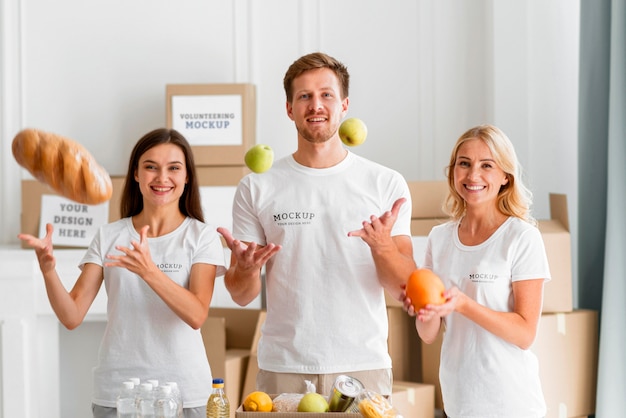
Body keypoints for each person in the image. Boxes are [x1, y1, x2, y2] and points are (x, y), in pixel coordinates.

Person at [217, 52, 416, 397]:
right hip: (284, 366)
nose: (316, 105)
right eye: (304, 96)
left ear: (344, 105)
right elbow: (240, 293)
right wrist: (247, 270)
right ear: (289, 109)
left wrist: (382, 246)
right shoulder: (257, 185)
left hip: (362, 363)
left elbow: (404, 285)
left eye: (326, 95)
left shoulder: (385, 183)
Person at [18, 128, 226, 418]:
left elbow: (196, 314)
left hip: (185, 393)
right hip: (118, 394)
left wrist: (149, 271)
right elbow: (71, 315)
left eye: (174, 168)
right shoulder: (110, 235)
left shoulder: (201, 236)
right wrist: (48, 270)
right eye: (150, 167)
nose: (162, 178)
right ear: (137, 174)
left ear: (187, 176)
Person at [403, 124, 550, 417]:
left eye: (487, 166)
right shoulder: (439, 237)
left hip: (511, 403)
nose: (473, 175)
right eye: (464, 164)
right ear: (453, 172)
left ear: (505, 177)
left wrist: (466, 305)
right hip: (459, 401)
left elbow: (525, 333)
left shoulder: (521, 237)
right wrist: (425, 313)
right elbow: (429, 335)